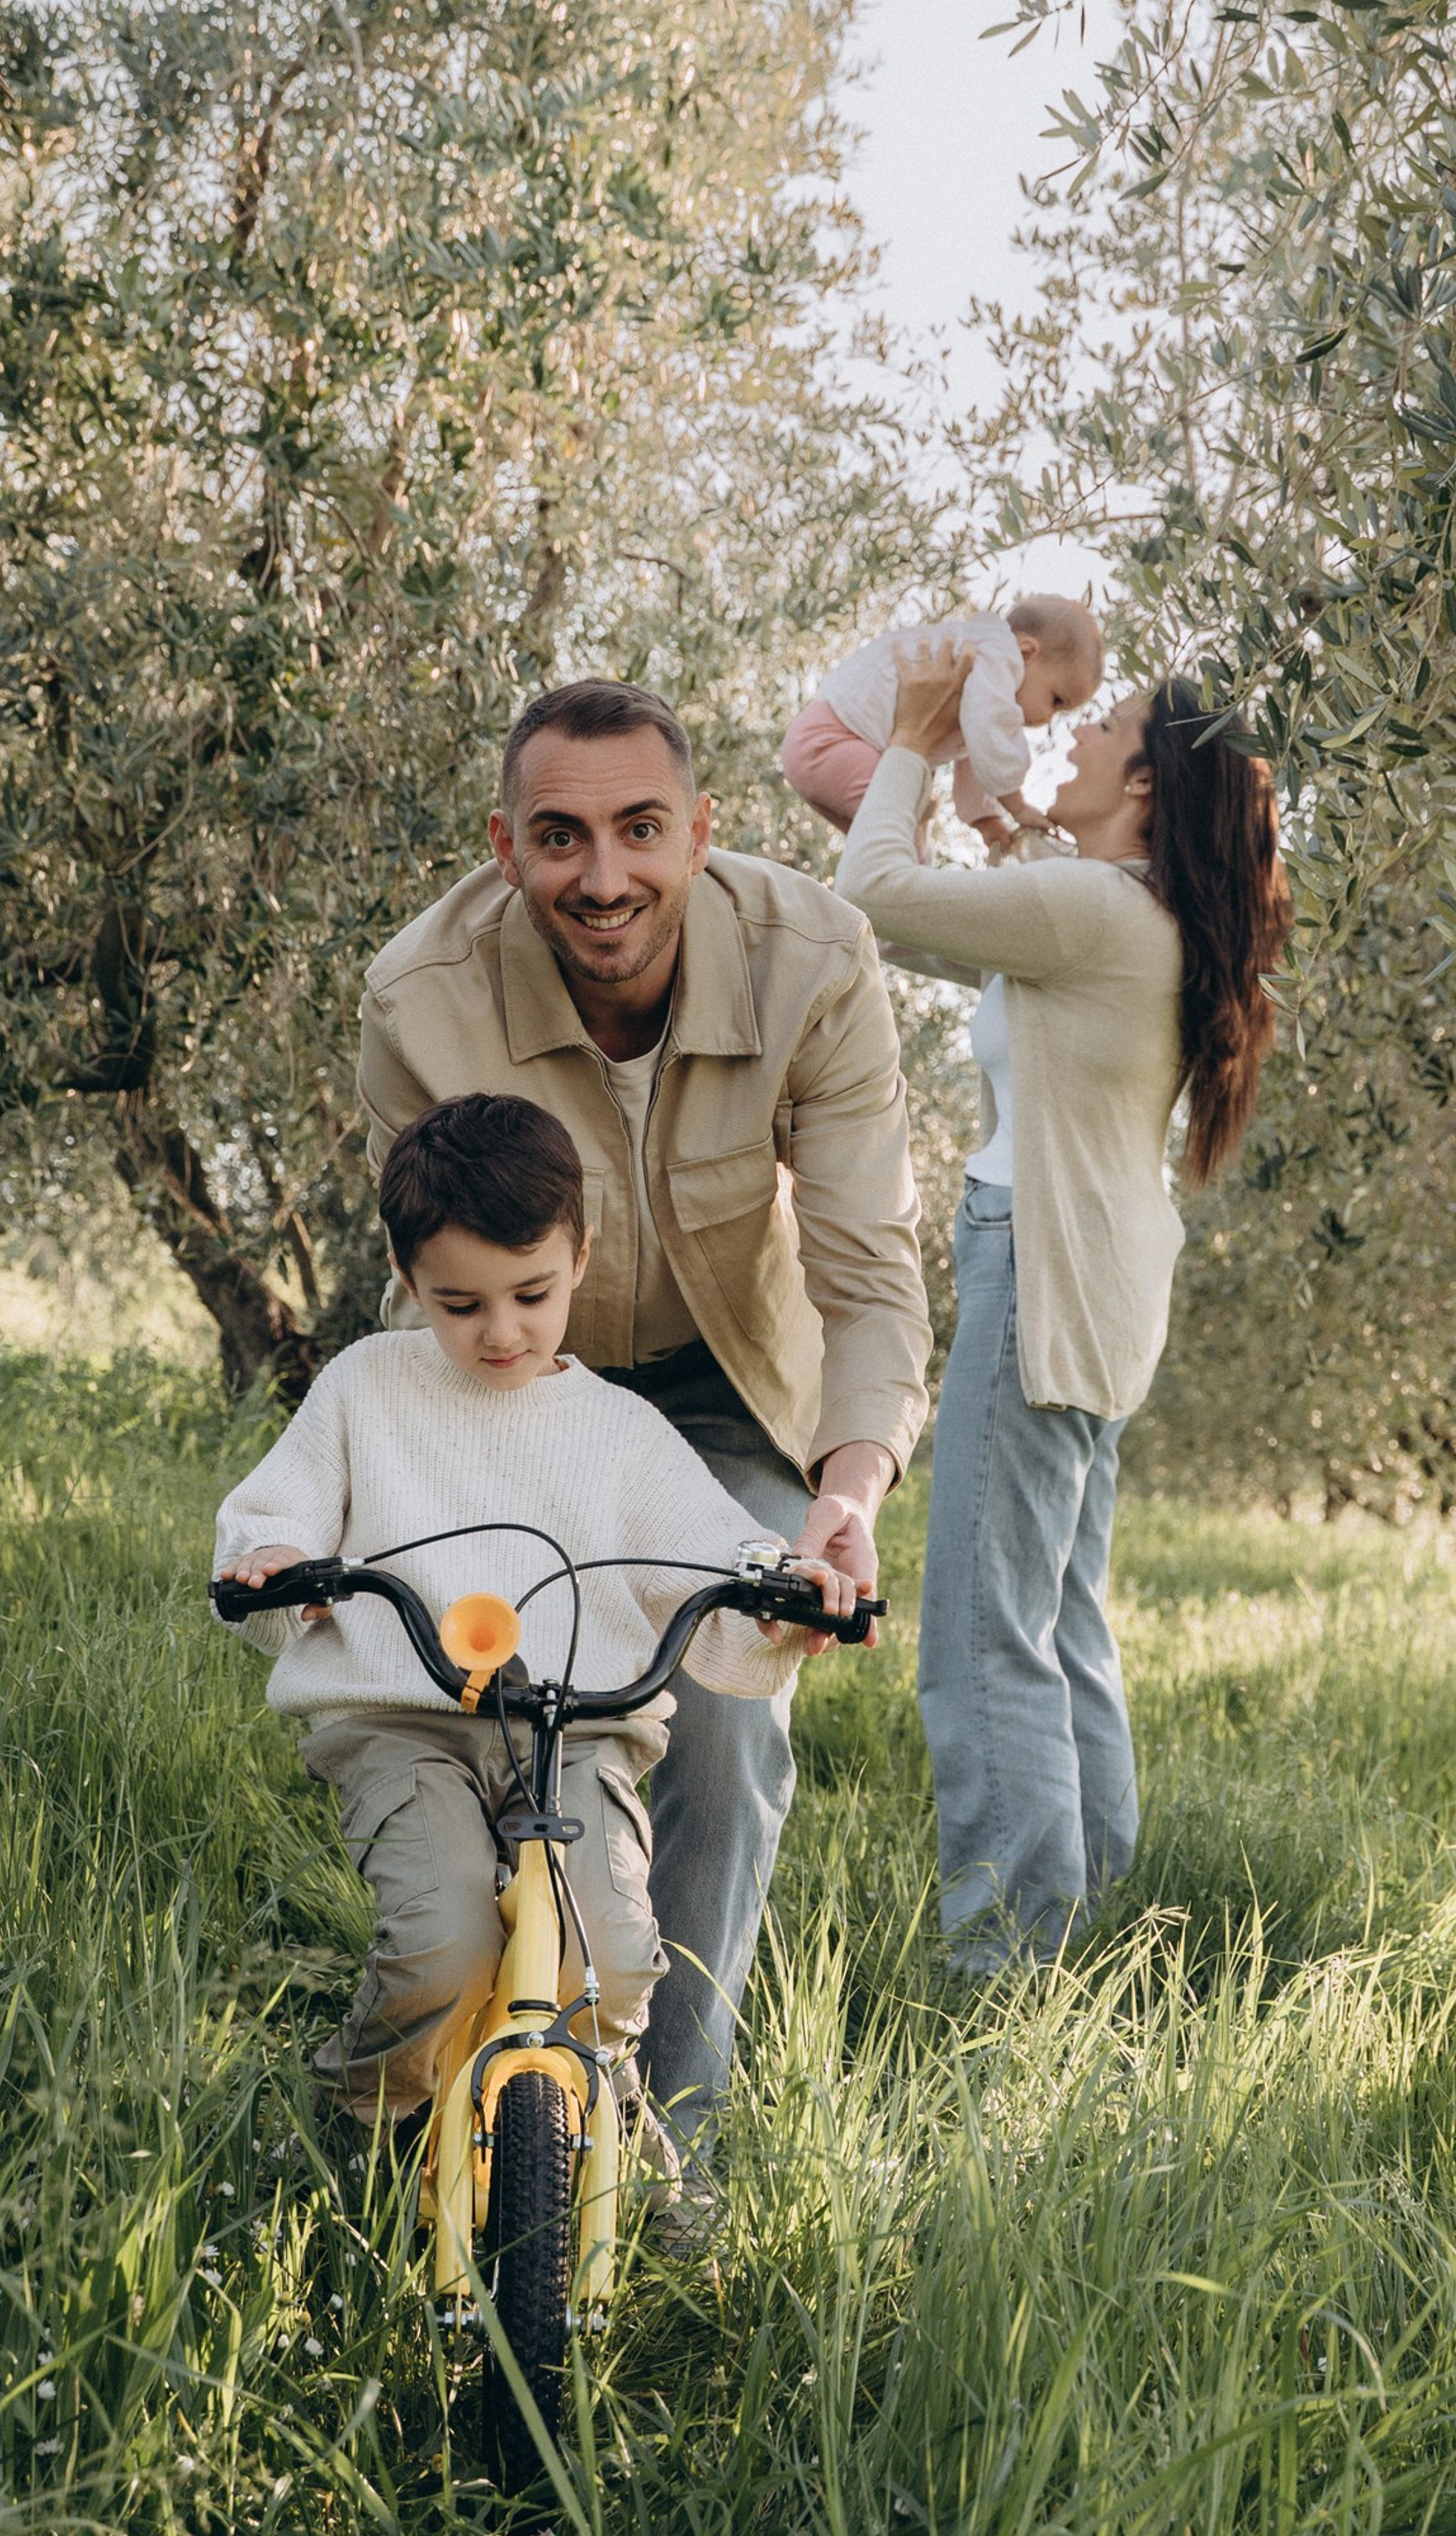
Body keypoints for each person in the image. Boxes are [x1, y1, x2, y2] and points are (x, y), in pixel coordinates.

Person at [356, 682, 930, 2140]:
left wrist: (848, 1491)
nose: (603, 876)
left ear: (701, 831)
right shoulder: (421, 1000)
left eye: (639, 830)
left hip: (728, 1389)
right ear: (505, 847)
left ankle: (677, 2145)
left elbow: (869, 1276)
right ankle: (476, 2084)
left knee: (726, 1713)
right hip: (513, 1385)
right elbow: (427, 1288)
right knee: (490, 1690)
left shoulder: (816, 960)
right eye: (560, 837)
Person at [213, 1093, 853, 2152]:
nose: (501, 1331)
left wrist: (786, 1599)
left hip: (580, 1732)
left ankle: (615, 2135)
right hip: (405, 1726)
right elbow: (269, 1520)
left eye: (532, 1294)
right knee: (442, 1946)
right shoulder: (368, 1386)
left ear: (580, 1256)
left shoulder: (621, 1432)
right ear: (406, 1273)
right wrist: (278, 1565)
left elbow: (719, 1555)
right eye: (460, 1304)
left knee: (613, 1957)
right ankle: (362, 2123)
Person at [835, 639, 1293, 1973]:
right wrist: (991, 831)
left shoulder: (1093, 911)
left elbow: (869, 894)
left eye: (1106, 728)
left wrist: (910, 740)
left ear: (1146, 784)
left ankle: (1009, 1967)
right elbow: (942, 933)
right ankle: (1089, 1921)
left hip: (1038, 1269)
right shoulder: (1127, 911)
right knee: (1059, 1617)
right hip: (1102, 1283)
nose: (1074, 734)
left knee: (983, 1638)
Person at [781, 594, 1104, 853]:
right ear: (1027, 652)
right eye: (1056, 700)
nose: (1048, 718)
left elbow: (979, 748)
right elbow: (990, 734)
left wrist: (985, 818)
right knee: (904, 848)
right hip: (833, 741)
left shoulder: (982, 676)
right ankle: (903, 917)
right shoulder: (997, 657)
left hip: (825, 747)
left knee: (876, 851)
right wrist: (1017, 807)